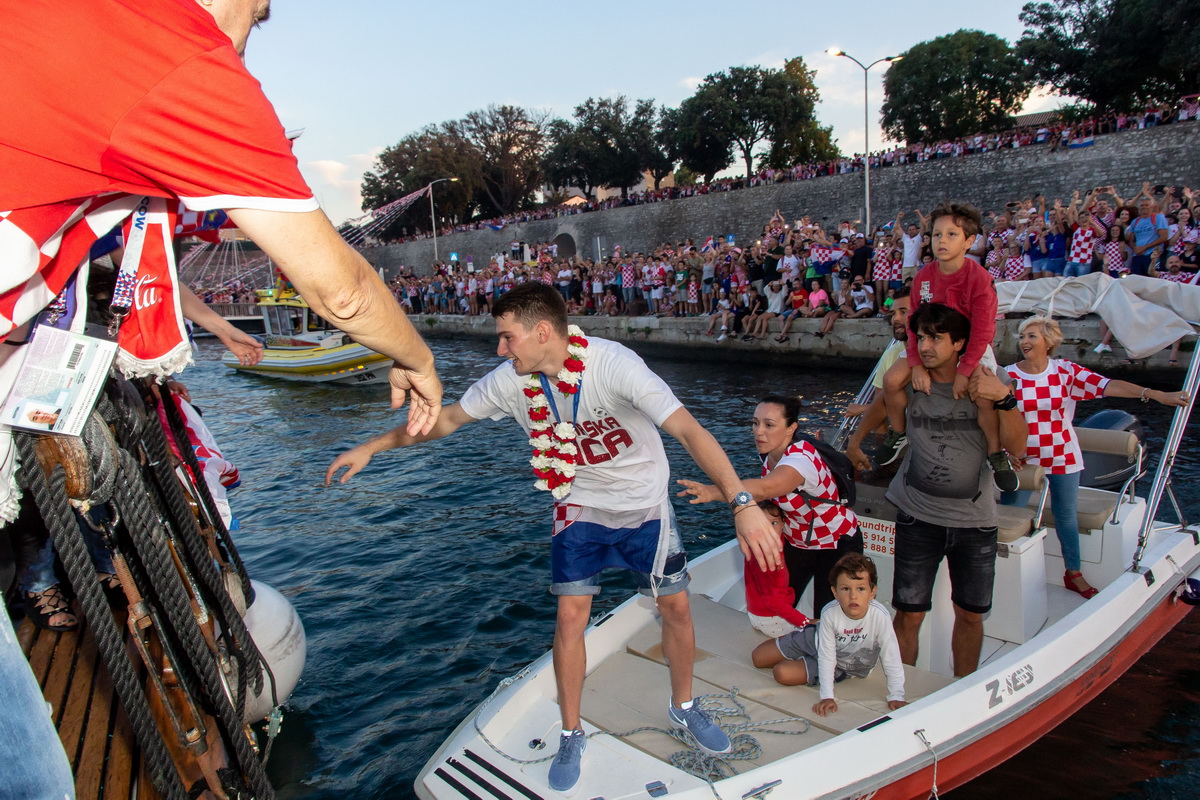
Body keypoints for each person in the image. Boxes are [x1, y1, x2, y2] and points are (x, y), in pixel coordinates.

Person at [326, 283, 780, 794]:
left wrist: (742, 503)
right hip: (578, 506)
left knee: (675, 607)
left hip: (644, 506)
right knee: (569, 618)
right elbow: (447, 419)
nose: (500, 349)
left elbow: (689, 431)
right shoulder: (510, 382)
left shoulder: (614, 366)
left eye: (507, 337)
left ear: (542, 332)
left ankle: (684, 706)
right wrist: (372, 447)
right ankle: (571, 732)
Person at [0, 0, 443, 459]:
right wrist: (420, 360)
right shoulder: (184, 59)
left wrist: (218, 327)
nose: (244, 51)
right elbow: (344, 292)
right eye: (256, 17)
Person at [887, 302, 1028, 676]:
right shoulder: (910, 377)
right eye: (921, 338)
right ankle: (899, 692)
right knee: (908, 613)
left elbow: (1018, 446)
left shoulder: (989, 380)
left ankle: (963, 686)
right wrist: (858, 443)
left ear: (960, 342)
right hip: (917, 517)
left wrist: (1005, 398)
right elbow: (884, 401)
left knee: (970, 614)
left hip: (974, 522)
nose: (926, 346)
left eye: (936, 338)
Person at [1001, 317, 1188, 597]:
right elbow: (995, 418)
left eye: (1032, 336)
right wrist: (1003, 452)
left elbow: (1109, 385)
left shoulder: (1065, 372)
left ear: (1049, 341)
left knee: (1067, 517)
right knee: (1010, 515)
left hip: (1062, 454)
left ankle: (1073, 574)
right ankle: (1003, 577)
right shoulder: (1007, 375)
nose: (1024, 342)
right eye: (1022, 336)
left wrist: (1156, 394)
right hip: (1021, 459)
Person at [678, 395, 863, 620]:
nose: (759, 431)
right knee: (779, 608)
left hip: (835, 541)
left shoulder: (801, 461)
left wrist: (713, 492)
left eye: (769, 425)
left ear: (791, 428)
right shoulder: (771, 452)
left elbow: (765, 488)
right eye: (755, 423)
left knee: (830, 615)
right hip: (797, 541)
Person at [877, 203, 1017, 492]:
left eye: (952, 234)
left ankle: (995, 452)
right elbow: (914, 324)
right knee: (891, 381)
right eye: (937, 234)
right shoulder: (923, 276)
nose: (942, 241)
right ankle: (899, 432)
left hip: (970, 344)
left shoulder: (980, 279)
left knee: (984, 396)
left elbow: (983, 330)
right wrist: (916, 365)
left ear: (969, 241)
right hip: (928, 341)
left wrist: (965, 370)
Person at [750, 553, 906, 717]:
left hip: (841, 665)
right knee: (758, 658)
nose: (853, 596)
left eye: (860, 589)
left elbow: (891, 657)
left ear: (872, 592)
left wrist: (896, 695)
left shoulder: (880, 616)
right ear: (835, 592)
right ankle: (798, 642)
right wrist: (827, 696)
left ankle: (803, 660)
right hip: (815, 639)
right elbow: (827, 654)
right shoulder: (830, 613)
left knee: (782, 673)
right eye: (845, 589)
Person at [844, 288, 912, 472]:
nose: (896, 319)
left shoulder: (931, 355)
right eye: (894, 313)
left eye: (903, 312)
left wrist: (862, 409)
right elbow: (880, 400)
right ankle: (881, 463)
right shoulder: (892, 353)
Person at [742, 502, 811, 637]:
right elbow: (773, 601)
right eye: (762, 524)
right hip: (771, 619)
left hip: (757, 612)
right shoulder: (764, 559)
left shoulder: (761, 543)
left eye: (774, 523)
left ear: (783, 523)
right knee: (813, 637)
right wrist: (805, 623)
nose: (768, 529)